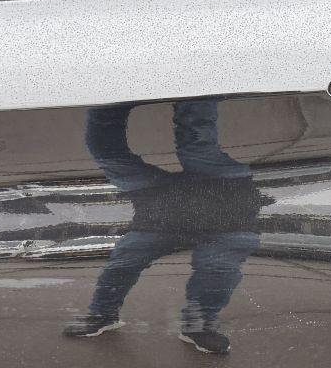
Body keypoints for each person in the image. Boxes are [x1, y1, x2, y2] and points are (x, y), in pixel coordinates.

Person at [63, 100, 265, 354]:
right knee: (195, 146)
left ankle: (197, 324)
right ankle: (105, 314)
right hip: (191, 202)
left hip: (210, 211)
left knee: (210, 263)